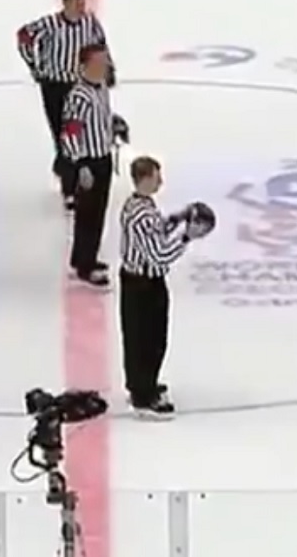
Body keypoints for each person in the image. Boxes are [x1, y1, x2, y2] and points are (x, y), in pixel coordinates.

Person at [118, 156, 213, 419]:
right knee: (145, 339)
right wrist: (186, 237)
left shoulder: (140, 205)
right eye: (157, 176)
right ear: (146, 178)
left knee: (147, 337)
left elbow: (156, 231)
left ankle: (143, 384)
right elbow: (158, 255)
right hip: (142, 283)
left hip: (143, 281)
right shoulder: (140, 214)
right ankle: (143, 395)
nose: (161, 181)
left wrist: (178, 218)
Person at [16, 0, 115, 209]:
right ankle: (69, 186)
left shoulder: (90, 23)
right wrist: (35, 64)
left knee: (83, 133)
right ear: (67, 3)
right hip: (56, 85)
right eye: (77, 3)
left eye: (83, 2)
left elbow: (101, 45)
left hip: (82, 84)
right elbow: (24, 36)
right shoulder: (51, 24)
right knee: (63, 134)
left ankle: (72, 173)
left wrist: (108, 71)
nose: (81, 7)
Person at [59, 43, 127, 287]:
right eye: (100, 62)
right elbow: (69, 133)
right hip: (88, 161)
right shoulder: (79, 96)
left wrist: (115, 126)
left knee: (97, 212)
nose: (105, 66)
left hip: (103, 157)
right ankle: (85, 265)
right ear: (87, 66)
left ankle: (83, 257)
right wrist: (79, 164)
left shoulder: (101, 89)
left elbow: (101, 119)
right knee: (88, 214)